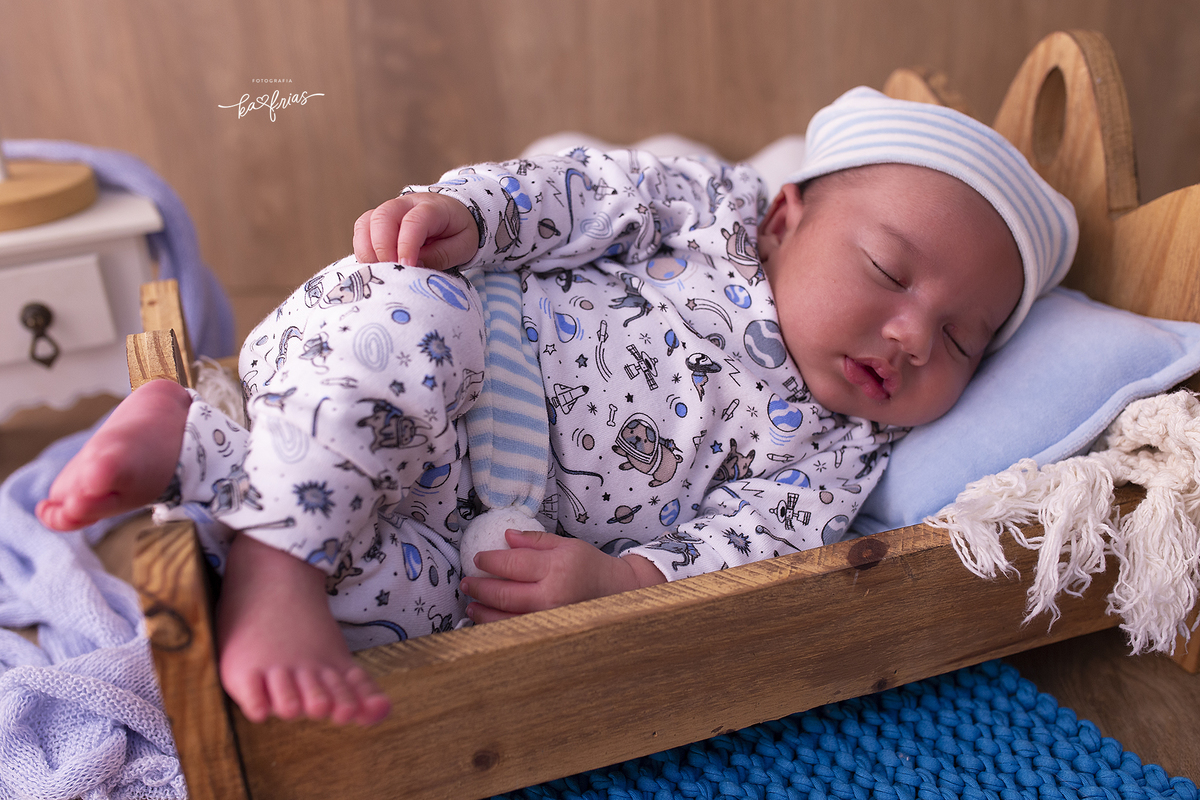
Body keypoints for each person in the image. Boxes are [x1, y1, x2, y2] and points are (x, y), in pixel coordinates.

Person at [35, 87, 1077, 728]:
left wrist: (623, 577)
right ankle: (279, 566)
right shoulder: (710, 210)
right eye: (888, 270)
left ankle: (201, 450)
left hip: (478, 521)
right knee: (411, 322)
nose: (912, 335)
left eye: (962, 338)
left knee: (423, 612)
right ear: (787, 216)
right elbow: (577, 189)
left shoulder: (842, 449)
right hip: (448, 350)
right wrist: (469, 212)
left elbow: (752, 545)